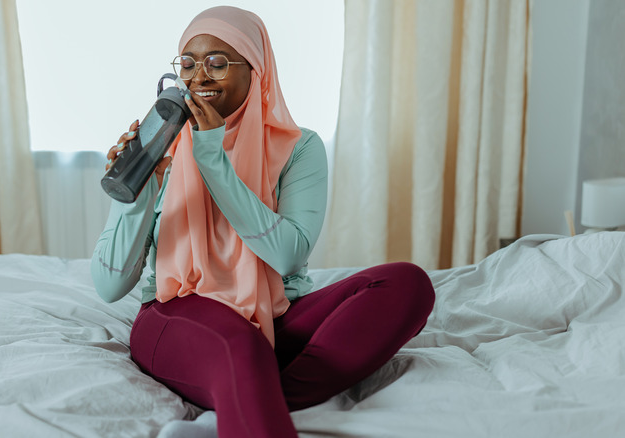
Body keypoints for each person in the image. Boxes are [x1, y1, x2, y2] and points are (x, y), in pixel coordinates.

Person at [91, 6, 435, 438]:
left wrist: (212, 159)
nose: (199, 77)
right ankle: (246, 392)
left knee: (406, 284)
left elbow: (288, 256)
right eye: (188, 63)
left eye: (218, 62)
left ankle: (246, 399)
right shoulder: (160, 141)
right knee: (239, 344)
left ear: (256, 70)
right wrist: (137, 184)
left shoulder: (299, 147)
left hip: (273, 312)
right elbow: (108, 286)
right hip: (176, 312)